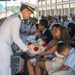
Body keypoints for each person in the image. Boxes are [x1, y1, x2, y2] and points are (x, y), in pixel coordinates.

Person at [0, 2, 36, 75]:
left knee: (4, 69)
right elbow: (16, 38)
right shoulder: (16, 19)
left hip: (3, 44)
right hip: (3, 46)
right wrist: (27, 50)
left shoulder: (15, 16)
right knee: (5, 70)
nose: (29, 16)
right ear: (25, 10)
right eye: (30, 13)